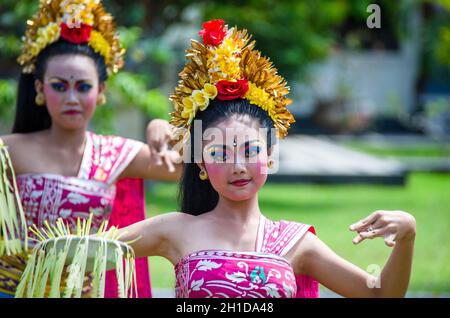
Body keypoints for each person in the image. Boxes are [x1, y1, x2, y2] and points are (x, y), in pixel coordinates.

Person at [116, 19, 416, 298]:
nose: (238, 167)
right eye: (219, 154)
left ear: (270, 154)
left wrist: (407, 236)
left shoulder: (295, 242)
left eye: (250, 150)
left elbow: (380, 294)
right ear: (200, 164)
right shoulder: (174, 229)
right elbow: (86, 250)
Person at [0, 0, 181, 298]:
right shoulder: (10, 151)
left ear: (101, 92)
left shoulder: (116, 155)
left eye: (83, 87)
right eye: (59, 86)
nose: (71, 98)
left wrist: (170, 129)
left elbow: (205, 167)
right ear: (39, 90)